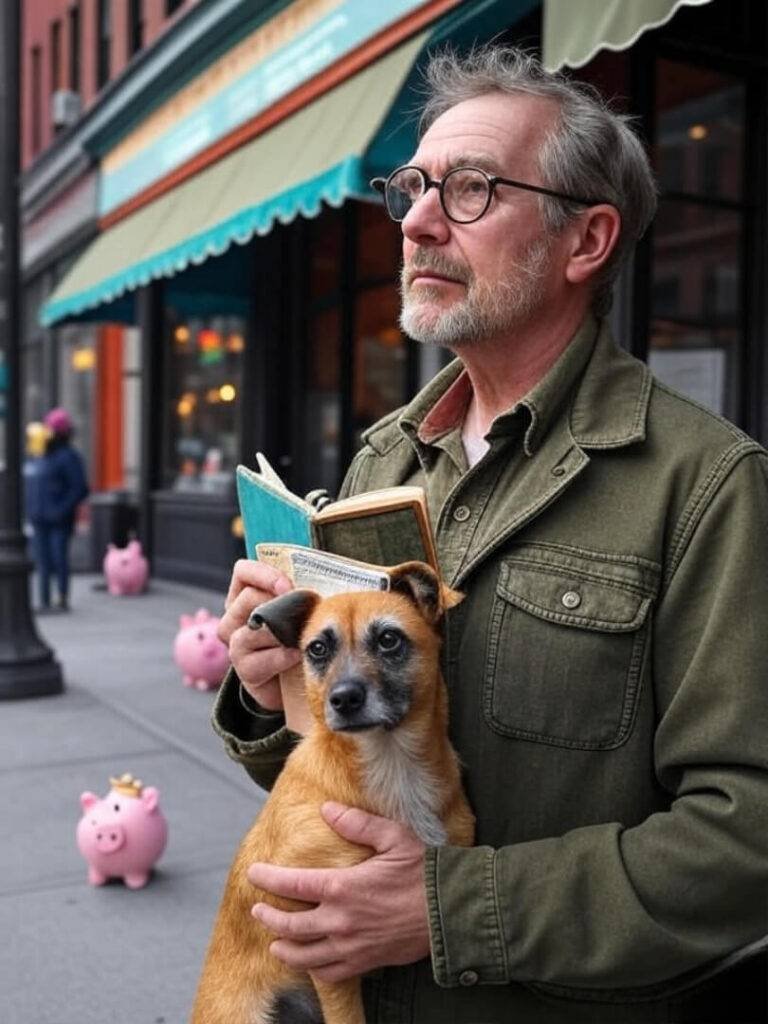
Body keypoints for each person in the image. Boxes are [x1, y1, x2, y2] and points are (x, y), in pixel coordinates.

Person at [212, 47, 768, 1023]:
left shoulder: (705, 485)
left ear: (586, 240)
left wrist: (448, 910)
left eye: (470, 189)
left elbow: (746, 842)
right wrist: (275, 698)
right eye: (413, 188)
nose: (417, 222)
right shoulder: (383, 460)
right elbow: (348, 767)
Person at [25, 407, 89, 612]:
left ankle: (61, 598)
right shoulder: (40, 455)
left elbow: (79, 488)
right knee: (42, 561)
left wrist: (61, 510)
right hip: (39, 518)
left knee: (58, 558)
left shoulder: (68, 457)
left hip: (59, 520)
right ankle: (44, 600)